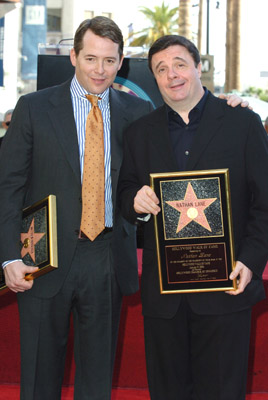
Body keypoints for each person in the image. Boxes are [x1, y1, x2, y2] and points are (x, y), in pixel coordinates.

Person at [0, 17, 154, 400]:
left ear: (121, 63)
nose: (99, 70)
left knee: (97, 379)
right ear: (73, 56)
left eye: (109, 60)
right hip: (42, 258)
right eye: (90, 58)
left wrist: (228, 105)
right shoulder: (33, 108)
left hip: (106, 257)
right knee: (38, 376)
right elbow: (7, 187)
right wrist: (7, 258)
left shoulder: (138, 114)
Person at [118, 35, 268, 400]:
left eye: (180, 64)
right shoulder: (138, 133)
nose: (173, 75)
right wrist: (133, 200)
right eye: (162, 69)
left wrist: (250, 261)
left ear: (198, 67)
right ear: (154, 78)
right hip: (164, 297)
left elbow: (264, 203)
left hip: (225, 287)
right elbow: (124, 193)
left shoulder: (243, 124)